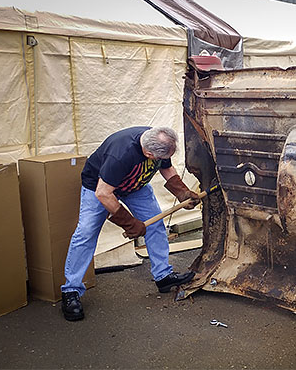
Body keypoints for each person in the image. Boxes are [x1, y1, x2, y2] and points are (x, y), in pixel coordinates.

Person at [61, 126, 200, 322]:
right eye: (157, 158)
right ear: (148, 153)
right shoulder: (121, 155)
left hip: (135, 186)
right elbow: (103, 193)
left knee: (155, 225)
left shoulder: (160, 141)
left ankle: (163, 276)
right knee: (85, 234)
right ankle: (71, 291)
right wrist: (129, 223)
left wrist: (182, 193)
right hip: (100, 188)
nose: (162, 160)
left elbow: (166, 168)